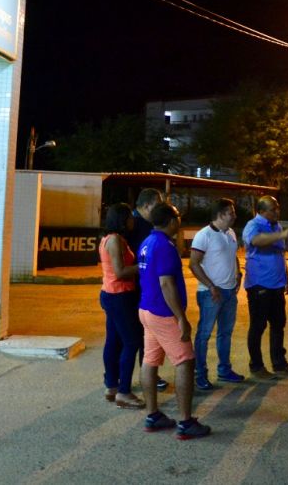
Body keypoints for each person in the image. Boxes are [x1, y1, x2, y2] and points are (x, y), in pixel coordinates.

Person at [137, 202, 211, 440]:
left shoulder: (147, 242)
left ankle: (153, 415)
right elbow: (166, 284)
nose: (180, 220)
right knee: (185, 361)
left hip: (146, 309)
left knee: (150, 360)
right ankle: (186, 422)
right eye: (178, 216)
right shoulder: (165, 246)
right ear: (171, 221)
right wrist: (181, 318)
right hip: (163, 312)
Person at [243, 195, 288, 380]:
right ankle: (256, 366)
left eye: (278, 208)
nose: (277, 212)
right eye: (273, 209)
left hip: (276, 285)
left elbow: (279, 253)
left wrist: (286, 277)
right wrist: (282, 235)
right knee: (258, 326)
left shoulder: (275, 226)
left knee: (278, 325)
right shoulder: (253, 225)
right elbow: (256, 241)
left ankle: (279, 364)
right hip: (259, 285)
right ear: (261, 211)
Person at [188, 198, 246, 390]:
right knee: (204, 335)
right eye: (231, 212)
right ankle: (200, 374)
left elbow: (232, 255)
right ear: (220, 215)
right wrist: (211, 286)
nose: (234, 215)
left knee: (225, 333)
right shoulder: (203, 235)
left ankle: (224, 370)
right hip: (210, 294)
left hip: (229, 292)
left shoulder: (230, 233)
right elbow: (193, 264)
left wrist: (238, 273)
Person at [98, 203, 145, 408]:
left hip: (112, 294)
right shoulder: (115, 240)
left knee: (114, 340)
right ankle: (124, 392)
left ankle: (112, 386)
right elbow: (120, 272)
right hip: (119, 295)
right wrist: (143, 265)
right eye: (130, 217)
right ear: (122, 219)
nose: (133, 220)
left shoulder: (108, 239)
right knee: (132, 342)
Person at [125, 188, 169, 392]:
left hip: (140, 287)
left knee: (144, 336)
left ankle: (147, 375)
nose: (160, 209)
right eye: (158, 204)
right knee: (136, 337)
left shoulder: (142, 224)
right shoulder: (135, 226)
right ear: (147, 205)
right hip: (134, 288)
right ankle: (136, 380)